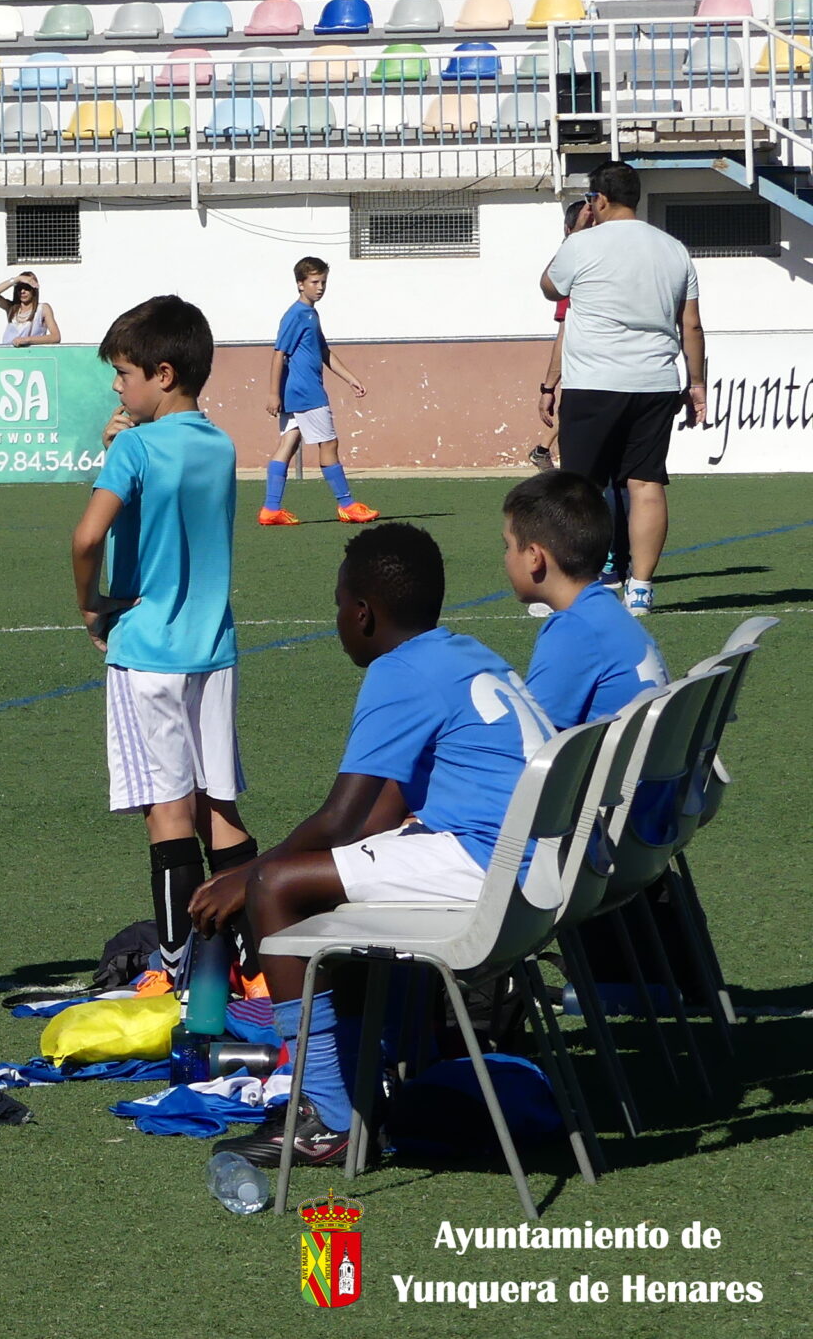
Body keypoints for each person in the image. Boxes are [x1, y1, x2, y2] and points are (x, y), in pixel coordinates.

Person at [193, 524, 556, 1173]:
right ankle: (370, 1078)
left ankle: (328, 1117)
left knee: (277, 889)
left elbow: (340, 819)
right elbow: (378, 817)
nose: (338, 617)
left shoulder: (400, 670)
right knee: (325, 880)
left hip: (493, 869)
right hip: (536, 868)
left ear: (362, 612)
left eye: (339, 604)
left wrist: (248, 875)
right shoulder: (462, 652)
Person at [69, 296, 259, 985]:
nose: (116, 386)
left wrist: (90, 605)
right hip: (213, 649)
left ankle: (179, 972)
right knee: (219, 807)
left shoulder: (136, 448)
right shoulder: (221, 444)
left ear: (164, 374)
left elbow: (87, 536)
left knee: (167, 811)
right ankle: (255, 959)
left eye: (124, 373)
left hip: (147, 649)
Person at [540, 160, 706, 618]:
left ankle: (576, 587)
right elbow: (691, 325)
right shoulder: (673, 249)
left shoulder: (582, 244)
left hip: (594, 381)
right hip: (655, 382)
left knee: (580, 489)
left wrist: (575, 236)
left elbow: (549, 288)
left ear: (598, 199)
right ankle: (641, 589)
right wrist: (696, 383)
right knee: (647, 483)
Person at [505, 471, 666, 725]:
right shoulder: (607, 612)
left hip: (608, 752)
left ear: (535, 557)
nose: (506, 557)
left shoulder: (574, 629)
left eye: (508, 546)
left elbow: (533, 735)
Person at [258, 257, 379, 528]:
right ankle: (347, 505)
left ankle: (270, 509)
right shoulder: (295, 314)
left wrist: (351, 379)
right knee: (329, 444)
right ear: (300, 284)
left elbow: (323, 351)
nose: (320, 287)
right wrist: (273, 393)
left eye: (323, 282)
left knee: (288, 443)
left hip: (296, 392)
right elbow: (279, 353)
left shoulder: (311, 314)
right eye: (315, 282)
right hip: (306, 392)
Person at [528, 201, 584, 472]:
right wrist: (548, 387)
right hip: (587, 375)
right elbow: (565, 333)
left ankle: (541, 450)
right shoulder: (570, 277)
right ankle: (542, 451)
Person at [0, 271, 59, 347]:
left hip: (31, 353)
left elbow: (56, 337)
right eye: (19, 288)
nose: (22, 291)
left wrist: (27, 340)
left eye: (27, 288)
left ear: (34, 289)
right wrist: (17, 279)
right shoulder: (12, 308)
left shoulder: (43, 308)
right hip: (9, 353)